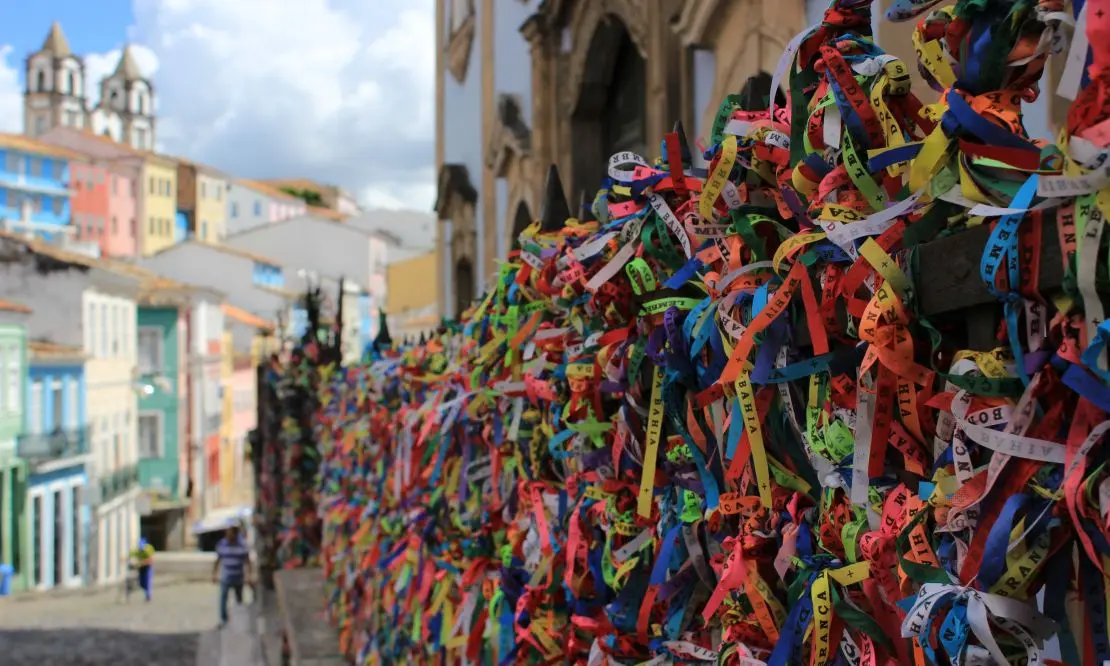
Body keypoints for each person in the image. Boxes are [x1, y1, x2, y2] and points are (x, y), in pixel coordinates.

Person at [213, 523, 253, 628]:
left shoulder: (242, 546)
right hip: (226, 577)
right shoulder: (222, 544)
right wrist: (214, 574)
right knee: (223, 599)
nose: (229, 537)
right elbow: (217, 560)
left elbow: (247, 561)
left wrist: (249, 576)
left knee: (239, 599)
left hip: (238, 577)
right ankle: (223, 620)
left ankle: (239, 620)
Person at [125, 537, 155, 602]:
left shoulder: (148, 549)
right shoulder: (138, 551)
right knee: (141, 583)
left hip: (148, 568)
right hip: (141, 568)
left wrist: (140, 563)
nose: (141, 550)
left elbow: (150, 560)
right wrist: (124, 559)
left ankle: (148, 595)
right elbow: (131, 554)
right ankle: (146, 592)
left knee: (147, 582)